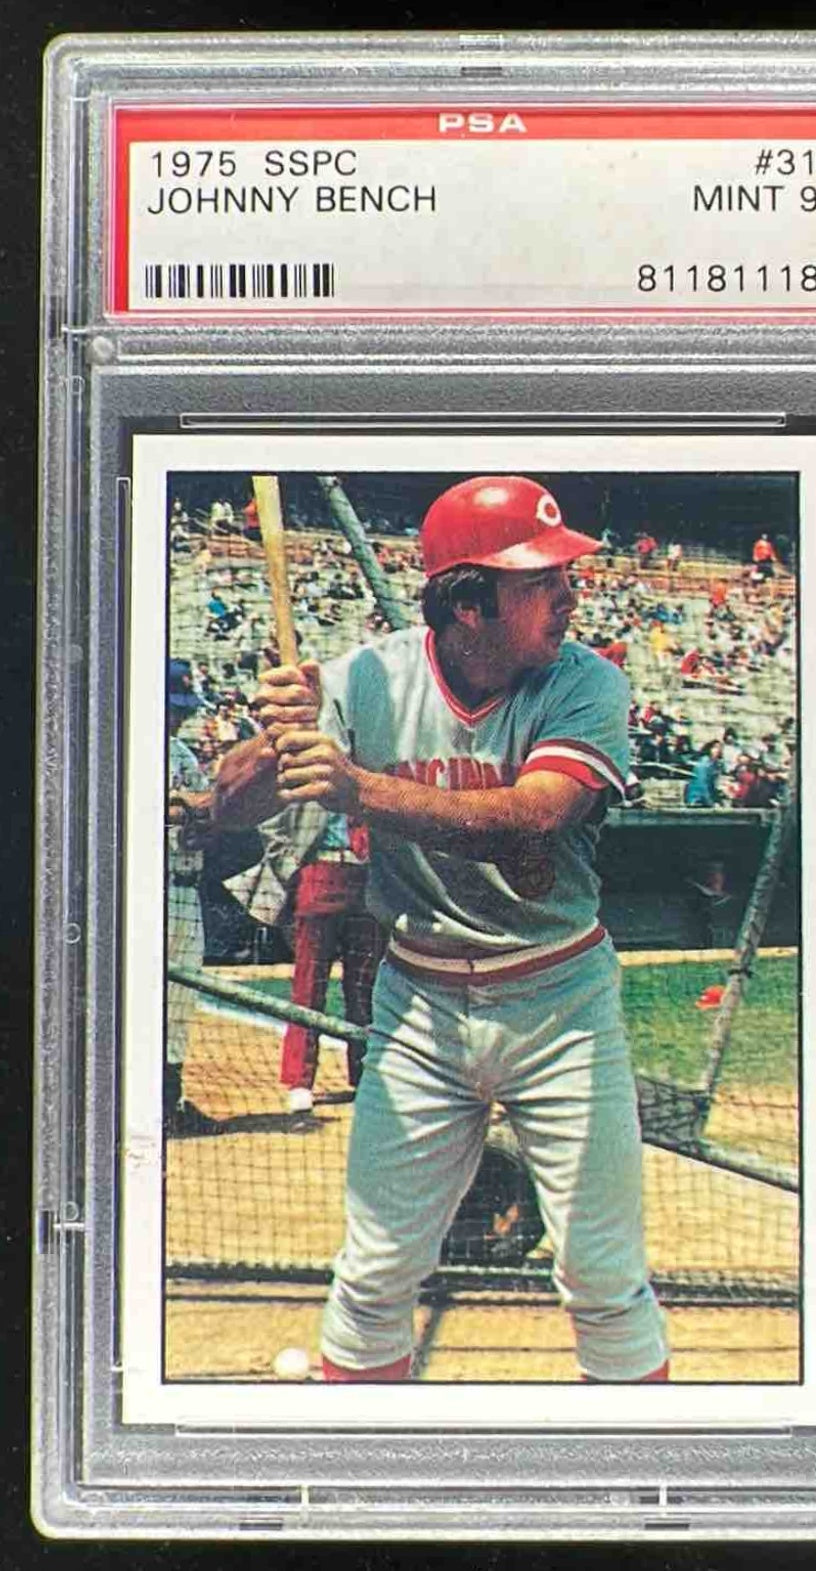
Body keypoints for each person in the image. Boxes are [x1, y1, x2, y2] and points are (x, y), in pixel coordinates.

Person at [214, 475, 669, 1385]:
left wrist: (355, 786)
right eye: (541, 579)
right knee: (372, 1276)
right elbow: (228, 805)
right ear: (468, 602)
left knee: (604, 1280)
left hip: (558, 1001)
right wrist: (278, 742)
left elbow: (532, 817)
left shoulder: (586, 682)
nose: (569, 594)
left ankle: (631, 1468)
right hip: (417, 1003)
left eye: (563, 575)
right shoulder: (365, 677)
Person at [279, 813, 386, 1109]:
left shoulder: (372, 784)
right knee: (308, 985)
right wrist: (291, 869)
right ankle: (300, 1080)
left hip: (367, 880)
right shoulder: (310, 782)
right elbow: (271, 820)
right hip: (319, 872)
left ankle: (365, 1076)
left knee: (366, 987)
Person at [166, 658, 221, 1137]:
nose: (180, 715)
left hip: (188, 887)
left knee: (181, 1001)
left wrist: (193, 812)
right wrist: (188, 807)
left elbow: (209, 812)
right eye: (174, 705)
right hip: (155, 891)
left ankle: (171, 1100)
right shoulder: (132, 744)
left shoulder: (181, 752)